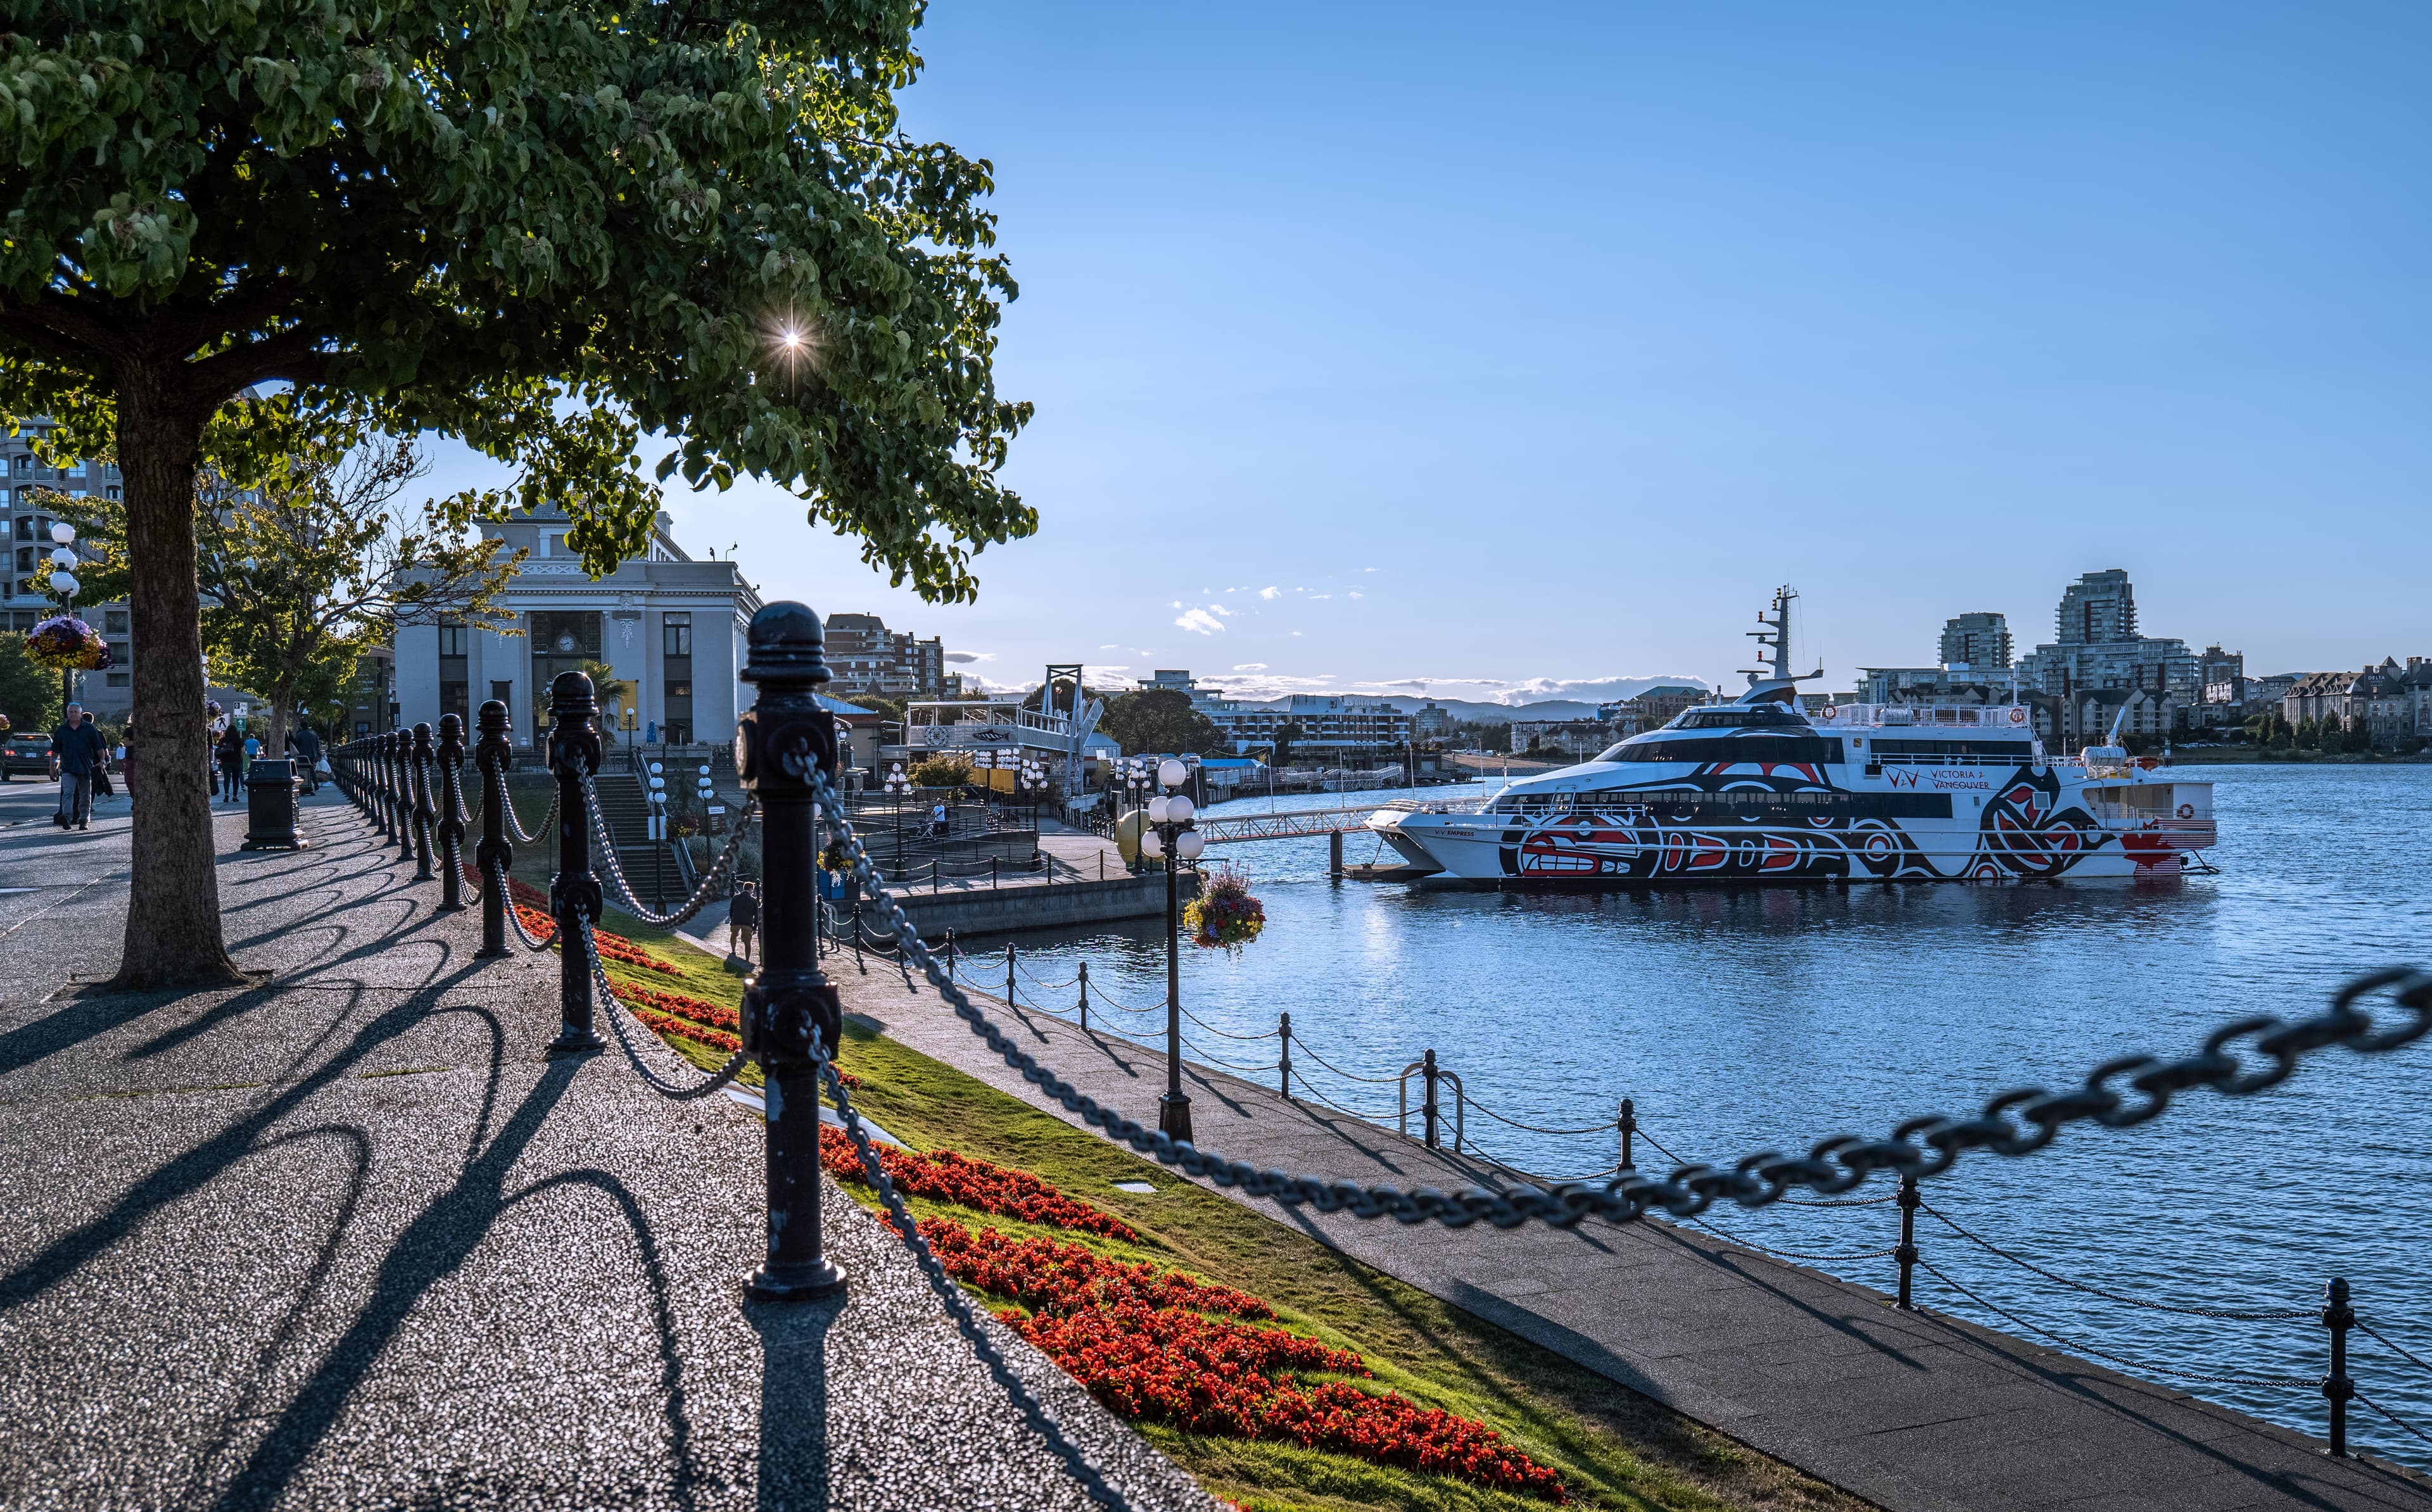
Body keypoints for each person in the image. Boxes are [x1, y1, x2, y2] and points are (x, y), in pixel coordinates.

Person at [48, 703, 103, 830]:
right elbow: (55, 751)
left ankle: (84, 819)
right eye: (71, 712)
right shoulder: (62, 730)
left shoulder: (89, 729)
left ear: (80, 713)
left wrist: (102, 760)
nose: (73, 714)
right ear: (68, 714)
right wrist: (52, 766)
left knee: (85, 795)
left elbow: (99, 748)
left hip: (85, 767)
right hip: (68, 767)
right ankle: (66, 817)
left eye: (75, 712)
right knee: (68, 793)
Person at [728, 881, 760, 964]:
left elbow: (731, 910)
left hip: (736, 920)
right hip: (747, 922)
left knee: (734, 935)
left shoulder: (736, 897)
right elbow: (756, 915)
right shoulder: (753, 901)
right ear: (751, 889)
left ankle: (733, 951)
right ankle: (747, 959)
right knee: (748, 942)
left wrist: (732, 919)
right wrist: (755, 927)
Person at [289, 721, 323, 795]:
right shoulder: (314, 735)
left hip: (302, 755)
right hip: (312, 755)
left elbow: (296, 745)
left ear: (301, 726)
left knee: (302, 769)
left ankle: (304, 785)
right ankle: (315, 783)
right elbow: (317, 746)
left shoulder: (299, 735)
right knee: (311, 769)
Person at [217, 725, 245, 804]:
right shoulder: (239, 740)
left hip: (226, 761)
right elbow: (243, 751)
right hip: (236, 761)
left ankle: (226, 794)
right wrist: (240, 759)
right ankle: (235, 796)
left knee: (227, 778)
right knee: (236, 779)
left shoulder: (223, 740)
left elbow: (219, 748)